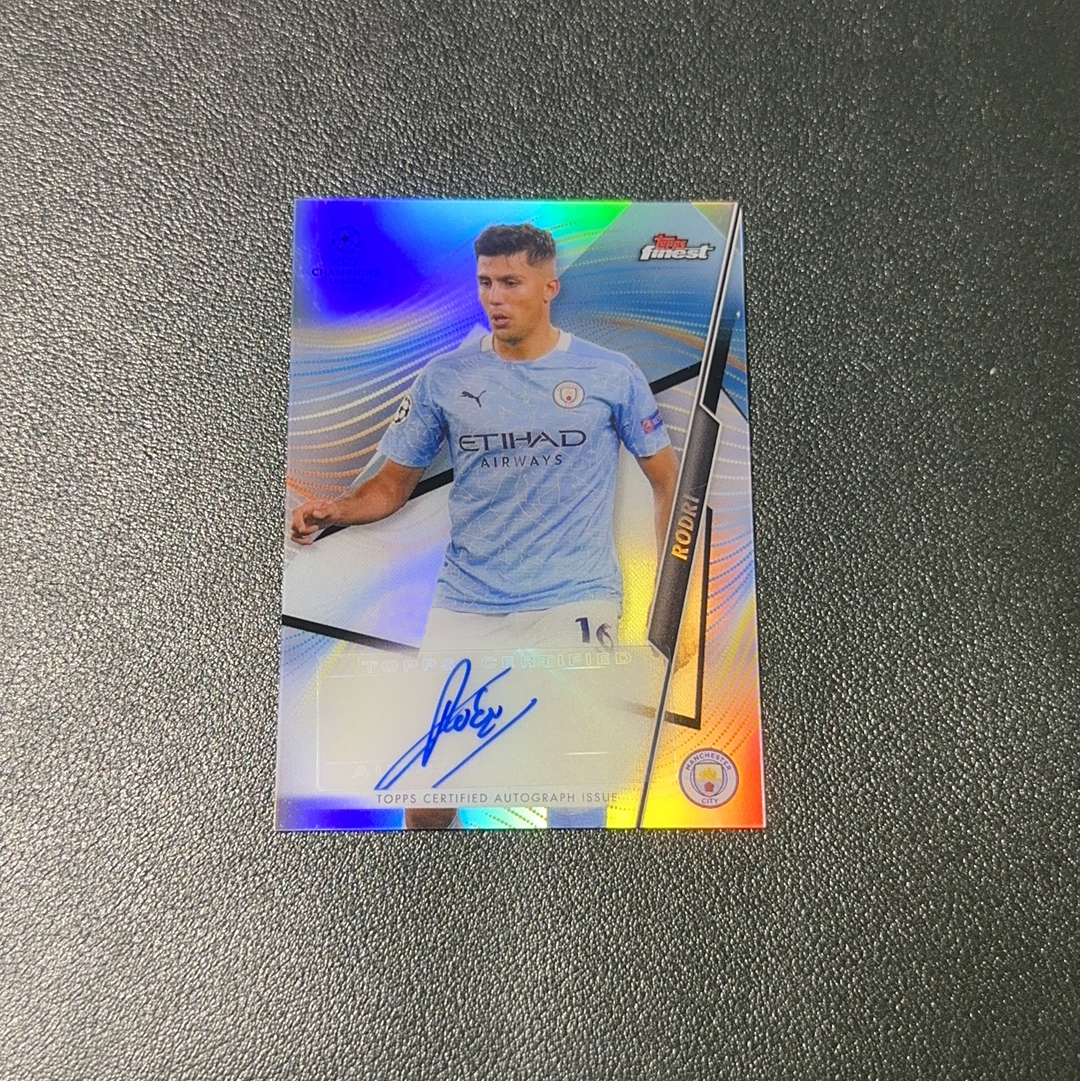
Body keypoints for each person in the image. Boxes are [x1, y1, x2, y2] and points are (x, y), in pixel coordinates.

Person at [291, 223, 679, 828]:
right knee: (426, 791)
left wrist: (673, 605)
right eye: (485, 283)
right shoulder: (445, 378)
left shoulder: (611, 373)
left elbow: (668, 483)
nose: (495, 298)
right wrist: (336, 508)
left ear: (549, 286)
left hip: (574, 599)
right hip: (468, 602)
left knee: (575, 783)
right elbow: (391, 486)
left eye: (511, 283)